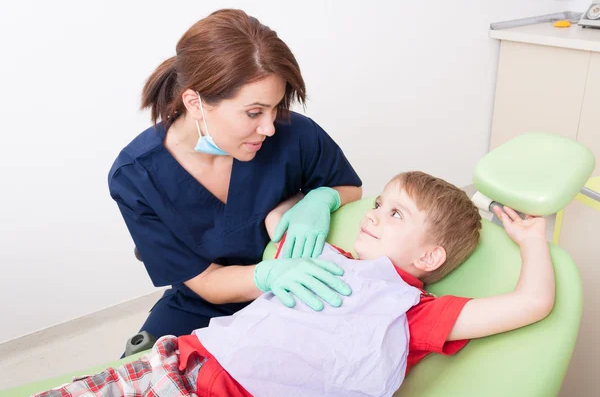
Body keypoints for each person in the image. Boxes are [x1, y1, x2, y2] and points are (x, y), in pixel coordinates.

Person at [36, 171, 554, 396]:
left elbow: (531, 303)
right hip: (181, 360)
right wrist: (316, 201)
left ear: (429, 255)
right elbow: (277, 222)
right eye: (378, 204)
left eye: (395, 213)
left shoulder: (414, 311)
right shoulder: (326, 254)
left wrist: (534, 243)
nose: (373, 215)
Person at [107, 8, 363, 341]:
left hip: (306, 282)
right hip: (206, 303)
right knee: (148, 371)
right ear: (195, 103)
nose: (269, 127)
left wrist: (319, 198)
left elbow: (348, 187)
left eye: (276, 107)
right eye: (254, 112)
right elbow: (206, 282)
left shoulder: (294, 133)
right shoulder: (136, 177)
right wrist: (269, 275)